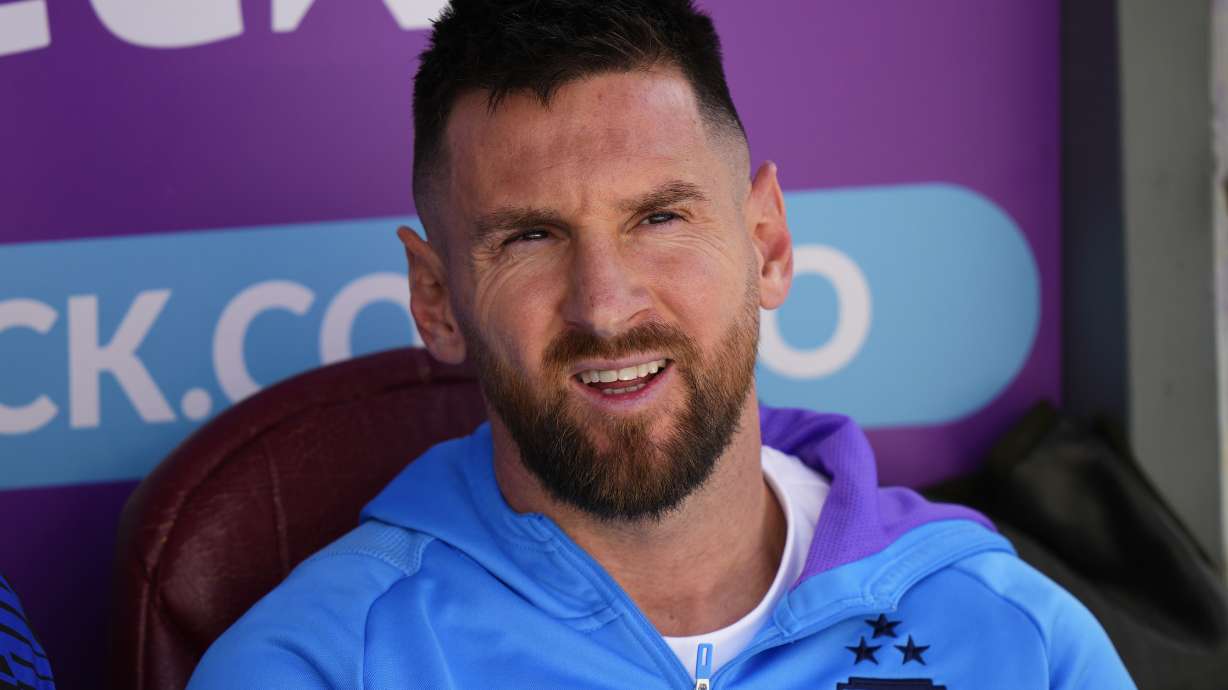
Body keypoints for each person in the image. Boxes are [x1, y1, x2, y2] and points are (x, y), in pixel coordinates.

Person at [189, 1, 1134, 687]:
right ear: (436, 298)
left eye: (661, 218)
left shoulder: (1014, 638)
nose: (605, 307)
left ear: (766, 243)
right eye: (530, 237)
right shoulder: (316, 664)